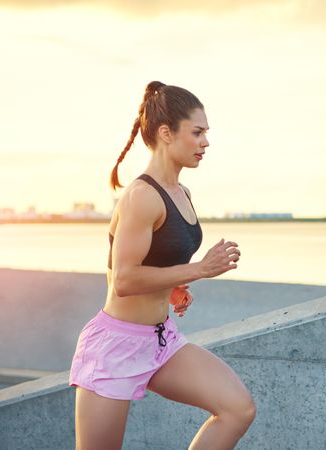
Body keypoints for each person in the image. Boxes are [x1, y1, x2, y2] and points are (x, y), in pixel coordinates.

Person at [68, 81, 256, 450]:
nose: (205, 143)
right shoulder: (141, 196)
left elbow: (154, 260)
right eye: (197, 132)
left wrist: (171, 288)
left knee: (238, 409)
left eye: (207, 133)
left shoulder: (182, 193)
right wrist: (199, 269)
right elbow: (122, 278)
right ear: (167, 133)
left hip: (159, 341)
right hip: (114, 348)